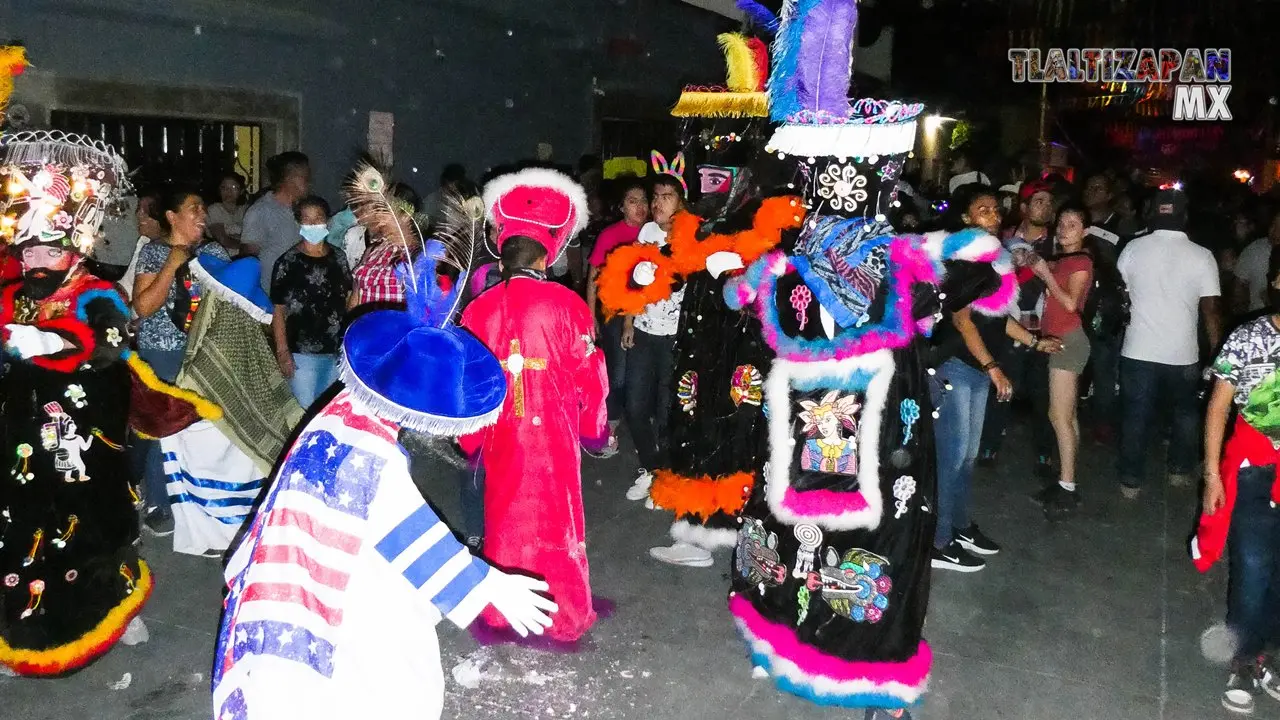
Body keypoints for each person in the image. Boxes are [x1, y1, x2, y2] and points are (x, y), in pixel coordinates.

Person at [211, 238, 558, 720]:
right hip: (334, 587)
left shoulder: (343, 403)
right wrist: (485, 584)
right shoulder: (370, 453)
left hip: (314, 553)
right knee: (388, 677)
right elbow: (402, 527)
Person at [0, 131, 211, 675]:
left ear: (74, 249)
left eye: (50, 250)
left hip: (85, 441)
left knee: (97, 526)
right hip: (23, 446)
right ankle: (19, 630)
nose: (38, 261)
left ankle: (116, 613)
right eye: (31, 251)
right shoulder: (13, 290)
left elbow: (111, 344)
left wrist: (54, 344)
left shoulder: (97, 292)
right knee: (23, 534)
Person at [458, 167, 613, 645]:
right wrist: (595, 428)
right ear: (548, 254)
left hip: (504, 435)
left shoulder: (478, 309)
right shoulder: (568, 304)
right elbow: (593, 373)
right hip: (554, 436)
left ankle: (506, 611)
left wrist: (472, 442)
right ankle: (565, 610)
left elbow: (470, 386)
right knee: (557, 518)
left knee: (505, 515)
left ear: (500, 254)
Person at [930, 186, 1061, 572]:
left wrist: (1036, 342)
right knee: (951, 458)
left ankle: (958, 526)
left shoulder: (994, 260)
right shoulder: (964, 260)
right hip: (955, 365)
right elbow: (961, 319)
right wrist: (993, 367)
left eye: (994, 210)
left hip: (977, 369)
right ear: (968, 219)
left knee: (967, 458)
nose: (991, 215)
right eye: (981, 210)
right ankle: (938, 541)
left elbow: (999, 319)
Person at [1193, 256, 1280, 714]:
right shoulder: (1250, 336)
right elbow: (1218, 405)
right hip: (1254, 468)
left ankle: (1262, 652)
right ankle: (1243, 660)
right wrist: (1211, 473)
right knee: (1252, 566)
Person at [131, 186, 231, 534]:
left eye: (203, 208)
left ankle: (201, 501)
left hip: (204, 351)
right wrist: (172, 265)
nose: (202, 214)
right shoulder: (154, 254)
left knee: (202, 429)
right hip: (162, 350)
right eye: (194, 208)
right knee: (164, 427)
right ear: (172, 217)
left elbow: (232, 302)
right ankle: (159, 502)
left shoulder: (214, 252)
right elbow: (143, 307)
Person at [1117, 188, 1222, 500]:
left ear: (1151, 215)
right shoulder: (1202, 255)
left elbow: (1121, 293)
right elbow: (1211, 310)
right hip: (1183, 352)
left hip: (1137, 349)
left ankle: (1131, 480)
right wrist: (1217, 354)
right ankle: (1178, 470)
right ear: (1186, 217)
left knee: (1136, 414)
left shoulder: (1133, 249)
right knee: (1185, 414)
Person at [978, 180, 1056, 476]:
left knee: (1043, 395)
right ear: (1024, 206)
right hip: (1007, 325)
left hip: (1044, 328)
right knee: (1002, 388)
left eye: (1049, 202)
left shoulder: (1058, 242)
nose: (1045, 208)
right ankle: (989, 445)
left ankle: (1044, 453)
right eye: (1039, 201)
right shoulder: (1003, 239)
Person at [621, 175, 686, 503]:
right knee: (634, 405)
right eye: (655, 196)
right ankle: (651, 467)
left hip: (675, 337)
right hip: (644, 331)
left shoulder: (694, 236)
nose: (657, 202)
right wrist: (629, 322)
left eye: (667, 196)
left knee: (666, 411)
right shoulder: (646, 233)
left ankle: (664, 477)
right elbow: (632, 281)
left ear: (681, 202)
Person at [1031, 205, 1093, 520]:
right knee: (1067, 416)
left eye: (1073, 223)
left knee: (1058, 416)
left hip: (1069, 340)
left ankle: (1067, 485)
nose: (1064, 228)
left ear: (1084, 231)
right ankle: (1066, 480)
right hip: (1060, 339)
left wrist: (1045, 274)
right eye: (1062, 223)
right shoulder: (1063, 260)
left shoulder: (1081, 261)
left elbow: (1069, 303)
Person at [270, 196, 351, 409]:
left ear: (328, 222)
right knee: (303, 412)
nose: (313, 225)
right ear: (299, 223)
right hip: (300, 355)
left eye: (319, 219)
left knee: (327, 413)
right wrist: (282, 352)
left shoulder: (339, 258)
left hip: (335, 352)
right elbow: (278, 311)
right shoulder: (288, 262)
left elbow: (349, 299)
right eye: (307, 220)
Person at [586, 180, 648, 426]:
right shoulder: (611, 235)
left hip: (648, 315)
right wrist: (590, 316)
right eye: (632, 201)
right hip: (615, 313)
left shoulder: (655, 233)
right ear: (621, 207)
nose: (640, 206)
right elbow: (593, 280)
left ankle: (633, 419)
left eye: (643, 200)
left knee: (639, 374)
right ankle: (609, 423)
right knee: (617, 374)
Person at [242, 151, 310, 291]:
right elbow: (247, 259)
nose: (309, 182)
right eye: (305, 177)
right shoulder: (260, 211)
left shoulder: (305, 210)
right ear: (290, 179)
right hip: (270, 296)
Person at [1234, 211, 1280, 314]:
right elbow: (1240, 286)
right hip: (1257, 317)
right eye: (1273, 224)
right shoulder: (1254, 249)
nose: (1274, 230)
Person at [207, 173, 247, 253]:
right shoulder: (215, 209)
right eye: (223, 187)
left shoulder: (245, 210)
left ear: (241, 191)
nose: (228, 191)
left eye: (233, 187)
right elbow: (222, 240)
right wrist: (243, 242)